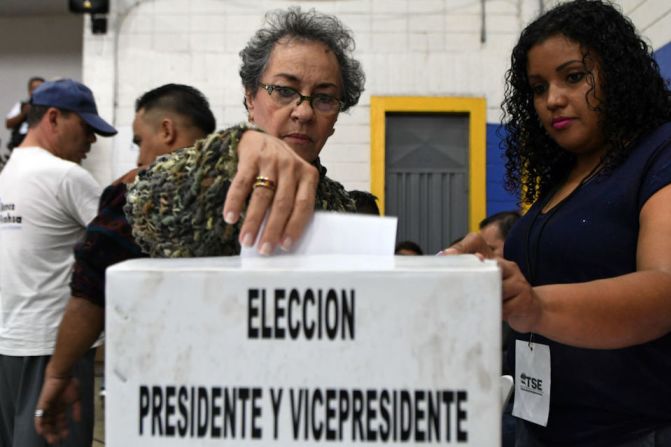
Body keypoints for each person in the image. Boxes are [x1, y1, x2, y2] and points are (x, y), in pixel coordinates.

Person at [444, 1, 671, 446]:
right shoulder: (565, 175)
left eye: (573, 76)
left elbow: (664, 288)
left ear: (618, 73)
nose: (552, 99)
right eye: (537, 87)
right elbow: (565, 267)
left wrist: (537, 307)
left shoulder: (658, 153)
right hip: (540, 422)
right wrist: (485, 265)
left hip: (628, 431)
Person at [32, 83, 216, 444]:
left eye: (138, 141)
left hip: (158, 387)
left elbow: (90, 293)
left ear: (166, 131)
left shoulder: (138, 195)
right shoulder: (250, 185)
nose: (137, 159)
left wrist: (57, 374)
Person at [125, 7, 369, 258]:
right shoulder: (213, 175)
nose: (304, 112)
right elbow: (144, 205)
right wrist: (233, 148)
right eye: (285, 90)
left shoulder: (342, 209)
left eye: (325, 98)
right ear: (251, 98)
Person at [0, 78, 117, 447]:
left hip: (8, 345)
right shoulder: (66, 176)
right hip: (54, 351)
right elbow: (124, 238)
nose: (91, 141)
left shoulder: (7, 175)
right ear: (53, 118)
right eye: (85, 127)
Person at [5, 76, 45, 151]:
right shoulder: (21, 106)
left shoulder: (50, 108)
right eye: (35, 89)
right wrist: (23, 113)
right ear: (30, 91)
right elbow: (8, 124)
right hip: (19, 147)